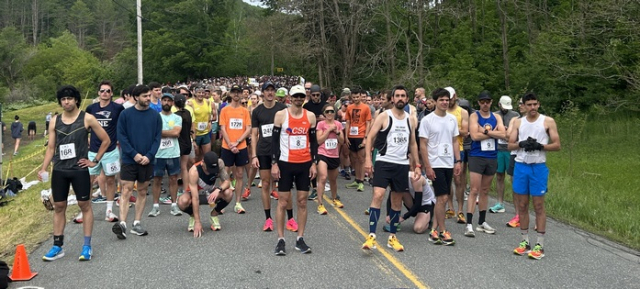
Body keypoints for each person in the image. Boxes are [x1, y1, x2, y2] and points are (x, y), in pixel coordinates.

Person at [38, 85, 111, 261]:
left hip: (79, 169)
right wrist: (43, 168)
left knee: (84, 205)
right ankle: (57, 246)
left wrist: (94, 160)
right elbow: (50, 148)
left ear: (76, 100)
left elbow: (106, 140)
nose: (66, 102)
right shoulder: (55, 120)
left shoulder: (87, 118)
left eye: (69, 98)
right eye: (63, 99)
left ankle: (86, 246)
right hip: (60, 170)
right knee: (59, 206)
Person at [361, 85, 420, 252]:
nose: (400, 98)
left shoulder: (410, 119)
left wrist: (416, 165)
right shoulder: (384, 116)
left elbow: (413, 143)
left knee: (396, 201)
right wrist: (367, 160)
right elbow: (370, 137)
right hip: (384, 161)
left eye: (403, 96)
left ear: (407, 99)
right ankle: (371, 236)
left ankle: (392, 236)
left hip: (401, 164)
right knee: (378, 195)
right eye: (397, 96)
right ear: (392, 99)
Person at [509, 92, 561, 260]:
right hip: (521, 166)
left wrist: (540, 146)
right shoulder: (518, 122)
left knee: (538, 205)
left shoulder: (547, 121)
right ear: (523, 106)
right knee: (522, 205)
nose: (532, 108)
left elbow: (557, 145)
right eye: (529, 105)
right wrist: (521, 144)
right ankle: (525, 241)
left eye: (535, 104)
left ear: (539, 104)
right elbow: (510, 145)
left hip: (538, 167)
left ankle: (540, 244)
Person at [271, 84, 317, 255]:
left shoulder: (310, 116)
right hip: (285, 163)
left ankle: (300, 239)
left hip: (304, 163)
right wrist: (274, 163)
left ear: (305, 98)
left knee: (302, 201)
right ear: (290, 97)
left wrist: (313, 162)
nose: (299, 99)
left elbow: (313, 142)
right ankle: (281, 239)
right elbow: (274, 142)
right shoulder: (281, 115)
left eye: (301, 96)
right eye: (296, 96)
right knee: (283, 202)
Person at [112, 84, 162, 239]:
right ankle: (122, 223)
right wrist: (134, 155)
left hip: (148, 160)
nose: (148, 98)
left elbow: (157, 138)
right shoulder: (125, 115)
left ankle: (137, 223)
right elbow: (122, 136)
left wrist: (149, 155)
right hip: (129, 159)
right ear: (136, 97)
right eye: (145, 96)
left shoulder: (155, 116)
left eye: (149, 95)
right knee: (126, 189)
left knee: (141, 190)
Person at [250, 82, 298, 232]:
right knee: (265, 184)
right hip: (263, 151)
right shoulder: (257, 111)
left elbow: (290, 127)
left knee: (285, 185)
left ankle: (290, 218)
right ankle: (268, 219)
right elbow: (254, 133)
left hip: (281, 152)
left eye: (272, 90)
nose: (270, 93)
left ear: (275, 93)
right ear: (263, 93)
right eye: (267, 90)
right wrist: (253, 155)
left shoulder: (283, 109)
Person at [419, 88, 462, 246]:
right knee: (442, 197)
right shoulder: (427, 120)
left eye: (447, 100)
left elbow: (455, 141)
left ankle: (434, 230)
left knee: (441, 198)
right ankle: (443, 231)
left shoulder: (451, 119)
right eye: (441, 100)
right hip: (434, 163)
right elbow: (423, 145)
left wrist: (458, 161)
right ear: (435, 101)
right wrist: (428, 167)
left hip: (448, 162)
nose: (444, 102)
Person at [464, 91, 505, 237]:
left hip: (492, 156)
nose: (485, 104)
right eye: (482, 101)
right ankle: (469, 224)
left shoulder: (497, 116)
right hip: (477, 156)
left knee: (485, 190)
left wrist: (485, 131)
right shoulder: (474, 116)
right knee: (474, 189)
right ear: (479, 103)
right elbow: (474, 136)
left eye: (487, 101)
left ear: (491, 102)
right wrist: (492, 132)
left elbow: (504, 134)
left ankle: (482, 222)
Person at [85, 81, 124, 223]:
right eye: (102, 91)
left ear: (112, 93)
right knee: (88, 180)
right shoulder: (91, 108)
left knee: (110, 179)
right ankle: (85, 210)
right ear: (98, 93)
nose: (105, 93)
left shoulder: (118, 108)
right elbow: (85, 126)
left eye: (108, 91)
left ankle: (109, 210)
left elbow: (124, 122)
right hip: (93, 150)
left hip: (111, 150)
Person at [180, 151, 233, 235]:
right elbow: (195, 198)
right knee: (182, 201)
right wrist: (198, 222)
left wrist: (218, 189)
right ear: (202, 163)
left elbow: (227, 181)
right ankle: (193, 216)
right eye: (208, 169)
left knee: (229, 193)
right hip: (196, 194)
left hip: (211, 193)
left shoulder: (220, 163)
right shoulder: (194, 171)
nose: (209, 172)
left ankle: (214, 214)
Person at [148, 93, 183, 218]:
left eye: (169, 100)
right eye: (164, 100)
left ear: (172, 103)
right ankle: (155, 206)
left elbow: (176, 132)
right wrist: (168, 132)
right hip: (158, 153)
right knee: (157, 179)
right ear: (161, 102)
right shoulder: (155, 117)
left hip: (173, 153)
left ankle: (174, 205)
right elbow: (152, 133)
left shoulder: (177, 117)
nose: (166, 103)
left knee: (173, 179)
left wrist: (160, 132)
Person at [219, 84, 252, 214]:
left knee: (239, 174)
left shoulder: (244, 111)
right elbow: (223, 128)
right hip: (227, 146)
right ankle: (222, 202)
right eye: (234, 92)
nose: (236, 94)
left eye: (238, 92)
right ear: (230, 94)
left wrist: (237, 142)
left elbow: (248, 128)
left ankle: (237, 203)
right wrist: (230, 144)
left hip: (241, 146)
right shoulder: (225, 110)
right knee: (224, 174)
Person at [490, 95, 520, 213]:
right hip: (498, 148)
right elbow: (491, 132)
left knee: (513, 177)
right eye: (504, 106)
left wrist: (506, 132)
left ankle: (517, 206)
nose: (505, 109)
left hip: (510, 150)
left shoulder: (515, 115)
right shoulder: (494, 115)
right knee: (499, 176)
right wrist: (502, 132)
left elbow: (516, 133)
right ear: (499, 104)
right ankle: (499, 202)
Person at [444, 87, 469, 224]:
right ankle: (450, 207)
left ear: (456, 97)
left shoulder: (463, 112)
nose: (449, 101)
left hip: (457, 148)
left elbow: (465, 132)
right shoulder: (442, 111)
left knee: (458, 180)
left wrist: (451, 129)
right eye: (447, 98)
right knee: (447, 179)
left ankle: (460, 210)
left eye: (451, 98)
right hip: (443, 149)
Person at [315, 104, 345, 215]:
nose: (329, 113)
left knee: (333, 180)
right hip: (323, 153)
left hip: (334, 154)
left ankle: (334, 199)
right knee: (323, 177)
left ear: (335, 113)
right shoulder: (321, 124)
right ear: (324, 113)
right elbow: (318, 140)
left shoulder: (338, 124)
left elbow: (342, 141)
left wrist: (337, 132)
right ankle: (320, 204)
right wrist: (328, 131)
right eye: (327, 112)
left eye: (331, 111)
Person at [345, 89, 372, 192]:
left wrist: (366, 137)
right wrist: (346, 136)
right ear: (351, 97)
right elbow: (348, 122)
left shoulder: (366, 108)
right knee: (354, 158)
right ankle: (356, 179)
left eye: (357, 97)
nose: (356, 99)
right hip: (351, 135)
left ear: (361, 97)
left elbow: (368, 122)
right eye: (354, 97)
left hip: (361, 135)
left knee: (361, 158)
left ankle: (361, 181)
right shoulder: (349, 107)